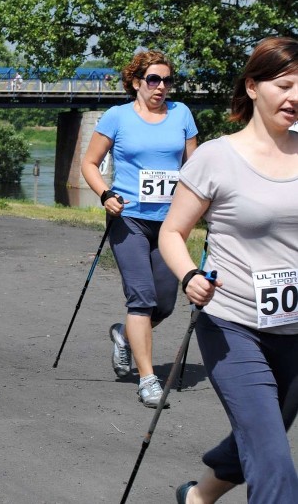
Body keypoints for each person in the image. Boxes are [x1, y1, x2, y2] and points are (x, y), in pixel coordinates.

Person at [160, 36, 298, 504]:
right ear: (253, 87)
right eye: (284, 84)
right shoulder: (216, 157)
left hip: (294, 328)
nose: (295, 97)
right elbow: (172, 233)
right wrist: (189, 276)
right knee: (274, 461)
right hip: (232, 323)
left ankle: (199, 497)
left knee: (265, 435)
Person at [80, 50, 198, 408]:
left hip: (171, 223)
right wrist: (105, 194)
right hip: (128, 218)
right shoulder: (117, 117)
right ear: (136, 82)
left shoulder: (182, 115)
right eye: (153, 80)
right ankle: (148, 379)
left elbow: (195, 166)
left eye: (167, 80)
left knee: (164, 303)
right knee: (142, 298)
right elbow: (89, 163)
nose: (161, 87)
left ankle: (125, 336)